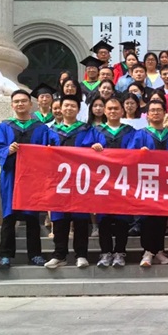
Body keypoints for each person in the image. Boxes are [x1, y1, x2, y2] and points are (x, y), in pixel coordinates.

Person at [0, 90, 55, 268]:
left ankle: (35, 255)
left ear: (30, 104)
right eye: (16, 101)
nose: (20, 104)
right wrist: (8, 150)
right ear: (12, 105)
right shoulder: (4, 126)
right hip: (11, 176)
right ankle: (5, 256)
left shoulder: (41, 128)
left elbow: (51, 148)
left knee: (32, 217)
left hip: (32, 178)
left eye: (23, 101)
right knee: (9, 216)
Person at [44, 95, 104, 269]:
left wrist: (97, 148)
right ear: (60, 109)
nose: (69, 108)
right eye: (66, 105)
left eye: (73, 106)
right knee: (60, 220)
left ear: (78, 110)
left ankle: (81, 255)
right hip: (59, 181)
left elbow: (100, 146)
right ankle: (59, 255)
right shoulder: (51, 131)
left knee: (80, 219)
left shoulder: (87, 130)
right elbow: (41, 153)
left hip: (80, 181)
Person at [93, 96, 137, 268]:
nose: (113, 111)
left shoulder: (130, 131)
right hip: (102, 182)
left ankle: (119, 252)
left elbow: (134, 152)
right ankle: (105, 253)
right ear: (104, 111)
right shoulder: (96, 131)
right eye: (109, 108)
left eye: (116, 108)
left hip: (123, 181)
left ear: (122, 111)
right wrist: (93, 148)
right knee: (103, 219)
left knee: (122, 219)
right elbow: (85, 152)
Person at [130, 99, 168, 267]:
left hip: (165, 182)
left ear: (164, 114)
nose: (156, 113)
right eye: (152, 110)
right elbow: (129, 155)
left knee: (162, 218)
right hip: (147, 181)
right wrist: (139, 153)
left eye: (159, 110)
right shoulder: (141, 134)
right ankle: (148, 251)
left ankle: (159, 250)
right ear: (147, 115)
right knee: (147, 217)